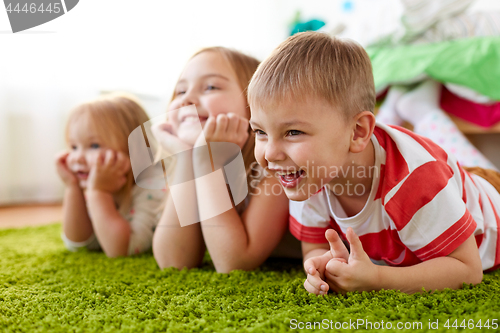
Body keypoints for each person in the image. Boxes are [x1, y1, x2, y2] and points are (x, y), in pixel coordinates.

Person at [247, 31, 500, 294]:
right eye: (260, 132)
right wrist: (322, 266)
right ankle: (416, 106)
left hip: (489, 197)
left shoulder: (414, 183)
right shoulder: (305, 175)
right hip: (448, 178)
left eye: (293, 132)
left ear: (357, 132)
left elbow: (467, 270)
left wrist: (377, 279)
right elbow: (315, 247)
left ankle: (422, 109)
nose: (270, 154)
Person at [151, 47, 299, 272]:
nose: (187, 99)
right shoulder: (191, 164)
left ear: (254, 104)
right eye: (180, 91)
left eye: (210, 87)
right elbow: (173, 261)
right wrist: (185, 159)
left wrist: (207, 163)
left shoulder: (275, 168)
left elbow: (234, 263)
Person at [56, 94, 164, 257]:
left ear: (134, 148)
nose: (77, 157)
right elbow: (78, 243)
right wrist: (72, 188)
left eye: (94, 145)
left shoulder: (153, 187)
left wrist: (99, 193)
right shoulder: (95, 182)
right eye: (74, 147)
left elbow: (123, 249)